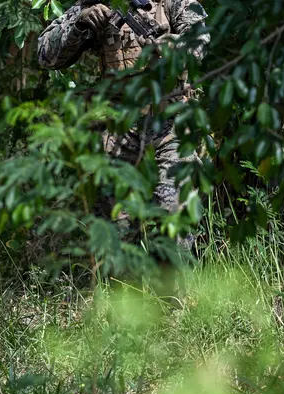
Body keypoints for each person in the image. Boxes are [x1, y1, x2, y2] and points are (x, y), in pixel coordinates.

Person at [37, 0, 209, 247]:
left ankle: (174, 283)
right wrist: (81, 22)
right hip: (117, 131)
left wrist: (172, 46)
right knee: (117, 236)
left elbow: (199, 45)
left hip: (171, 126)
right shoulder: (100, 3)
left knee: (174, 227)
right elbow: (46, 55)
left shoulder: (174, 2)